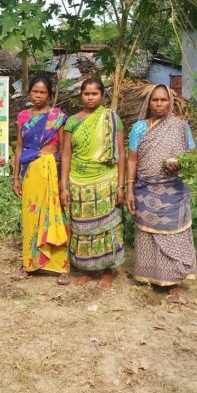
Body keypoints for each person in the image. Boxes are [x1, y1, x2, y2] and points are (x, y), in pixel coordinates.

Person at [126, 84, 197, 295]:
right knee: (148, 234)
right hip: (145, 188)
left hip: (173, 191)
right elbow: (132, 160)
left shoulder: (181, 127)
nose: (159, 104)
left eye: (163, 100)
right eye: (155, 100)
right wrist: (129, 188)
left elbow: (193, 155)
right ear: (149, 103)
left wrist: (180, 162)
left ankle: (173, 280)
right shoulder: (139, 128)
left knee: (173, 233)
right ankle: (149, 275)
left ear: (171, 102)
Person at [60, 77, 126, 289]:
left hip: (106, 180)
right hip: (78, 182)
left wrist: (121, 185)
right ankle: (88, 270)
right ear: (81, 95)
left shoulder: (111, 118)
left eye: (94, 94)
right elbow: (66, 155)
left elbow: (122, 153)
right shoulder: (72, 121)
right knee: (82, 229)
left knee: (108, 227)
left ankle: (108, 270)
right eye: (86, 94)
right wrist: (63, 186)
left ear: (102, 95)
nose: (90, 97)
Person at [12, 75, 70, 285]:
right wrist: (15, 177)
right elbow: (19, 148)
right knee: (30, 218)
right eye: (35, 91)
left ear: (49, 94)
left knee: (54, 216)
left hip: (51, 173)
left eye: (42, 92)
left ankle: (61, 266)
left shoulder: (57, 117)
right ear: (29, 93)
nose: (38, 96)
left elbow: (64, 151)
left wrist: (64, 183)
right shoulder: (23, 117)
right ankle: (30, 262)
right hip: (29, 173)